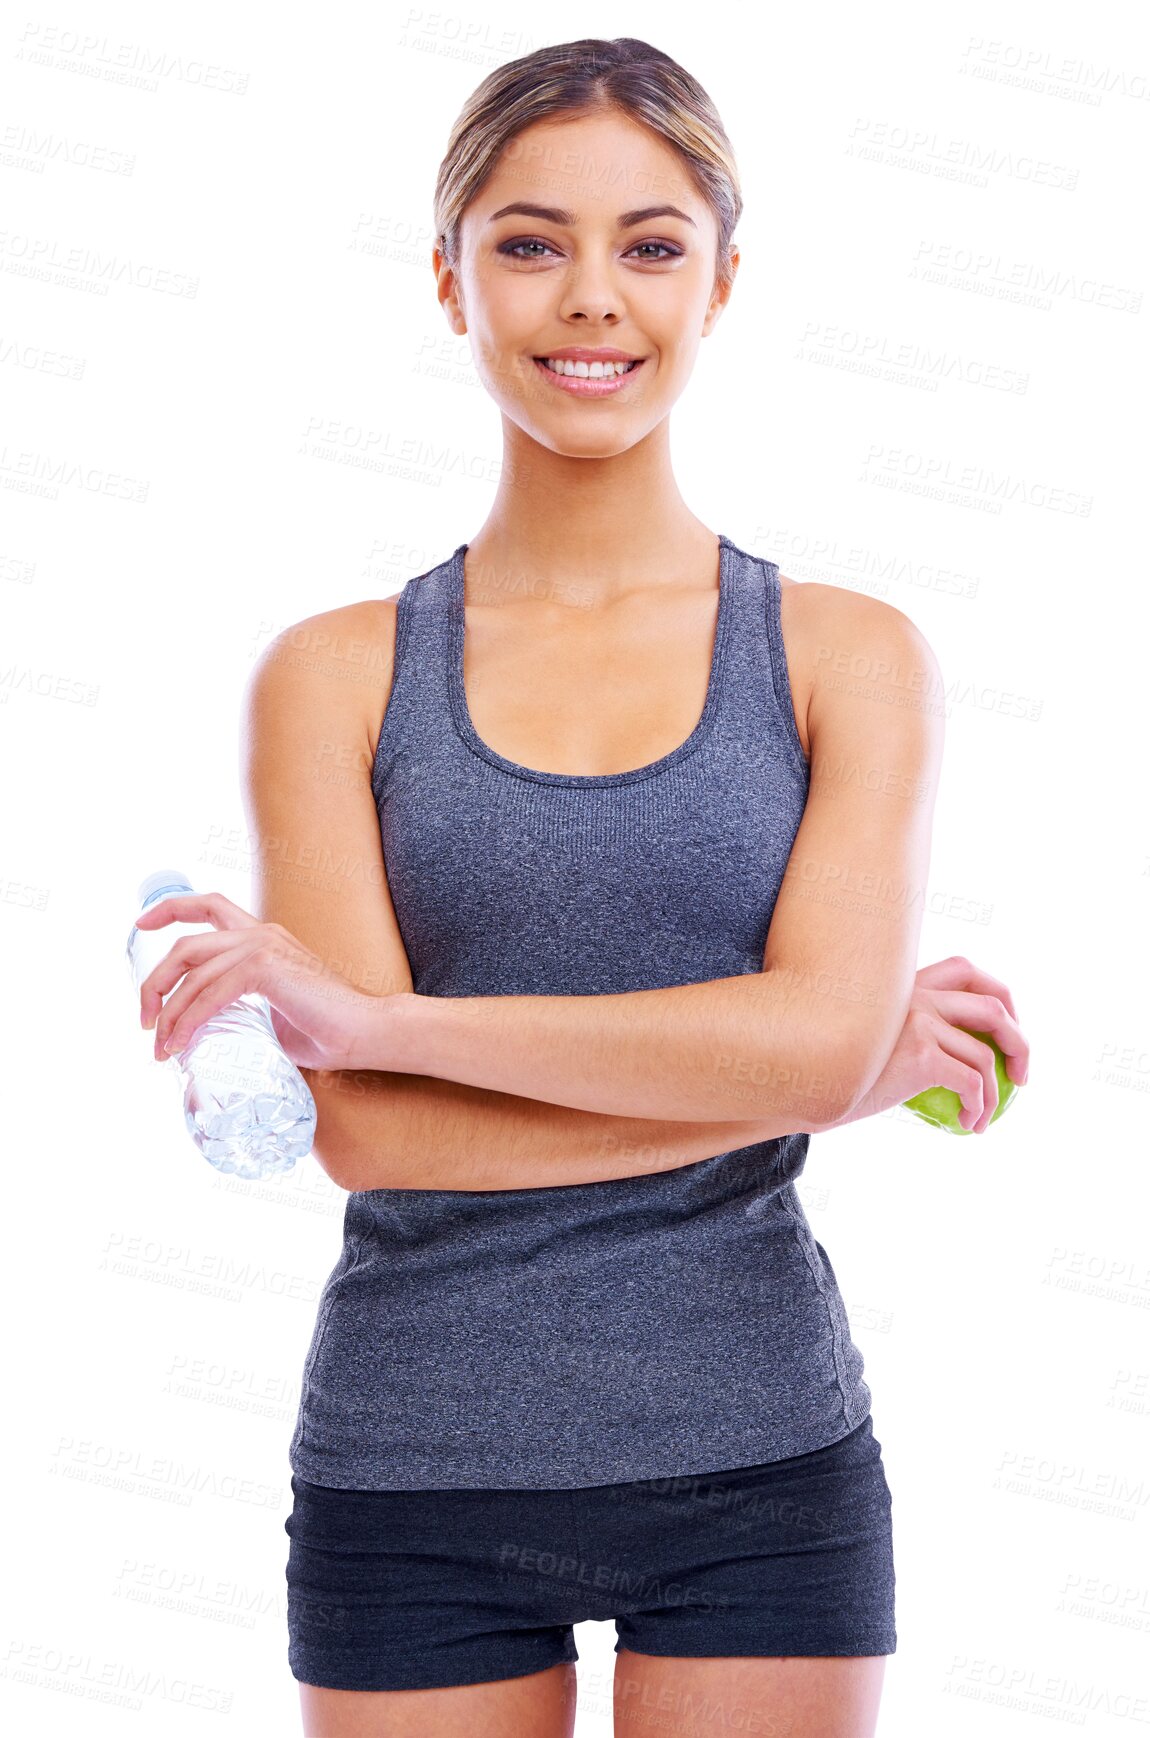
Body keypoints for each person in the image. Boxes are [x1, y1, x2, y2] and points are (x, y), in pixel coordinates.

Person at [173, 36, 1029, 1738]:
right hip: (413, 1468)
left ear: (721, 279)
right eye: (526, 239)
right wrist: (823, 1073)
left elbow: (425, 1064)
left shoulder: (842, 658)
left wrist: (396, 1019)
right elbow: (375, 1133)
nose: (591, 299)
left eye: (649, 243)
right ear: (449, 278)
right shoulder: (332, 675)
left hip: (760, 1467)